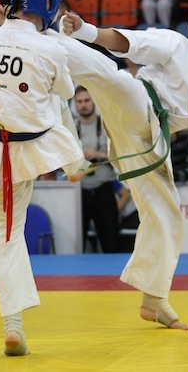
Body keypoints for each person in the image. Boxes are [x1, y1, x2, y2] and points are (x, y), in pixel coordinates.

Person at [52, 0, 188, 330]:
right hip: (139, 103)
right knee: (111, 77)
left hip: (151, 142)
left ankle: (154, 298)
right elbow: (129, 42)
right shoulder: (175, 45)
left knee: (168, 216)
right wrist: (85, 30)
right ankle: (40, 39)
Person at [0, 0, 90, 355]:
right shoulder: (51, 47)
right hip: (33, 146)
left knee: (3, 234)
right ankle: (74, 162)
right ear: (50, 3)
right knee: (53, 97)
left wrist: (6, 33)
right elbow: (67, 93)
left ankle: (13, 324)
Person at [75, 85, 120, 253]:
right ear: (75, 104)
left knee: (111, 243)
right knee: (77, 245)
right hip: (78, 193)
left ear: (93, 101)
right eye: (79, 101)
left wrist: (98, 154)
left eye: (87, 100)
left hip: (104, 190)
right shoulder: (71, 128)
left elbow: (119, 156)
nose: (83, 105)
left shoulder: (107, 124)